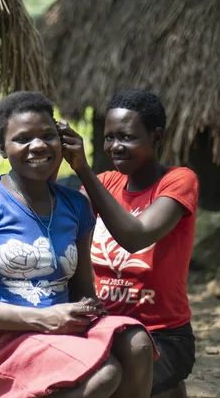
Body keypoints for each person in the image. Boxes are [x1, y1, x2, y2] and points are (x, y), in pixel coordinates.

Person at [0, 91, 157, 398]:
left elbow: (81, 289)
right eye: (23, 138)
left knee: (136, 343)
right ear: (3, 148)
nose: (38, 145)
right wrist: (42, 318)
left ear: (62, 140)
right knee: (104, 375)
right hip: (3, 340)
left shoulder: (75, 206)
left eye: (47, 135)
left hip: (62, 331)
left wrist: (86, 308)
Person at [58, 89, 198, 398]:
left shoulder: (178, 181)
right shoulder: (106, 183)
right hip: (105, 328)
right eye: (109, 138)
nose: (114, 147)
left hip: (163, 335)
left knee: (112, 378)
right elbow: (62, 224)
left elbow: (135, 237)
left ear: (156, 136)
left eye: (127, 137)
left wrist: (82, 168)